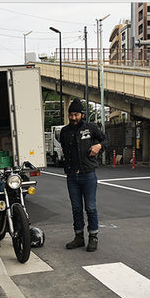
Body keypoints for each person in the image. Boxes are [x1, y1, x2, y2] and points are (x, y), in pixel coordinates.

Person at [59, 98, 107, 252]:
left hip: (88, 174)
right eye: (71, 115)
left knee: (90, 207)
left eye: (76, 115)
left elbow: (106, 140)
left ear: (82, 114)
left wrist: (98, 146)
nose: (73, 118)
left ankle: (93, 237)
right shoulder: (64, 132)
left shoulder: (91, 128)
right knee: (76, 208)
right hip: (72, 175)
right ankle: (78, 237)